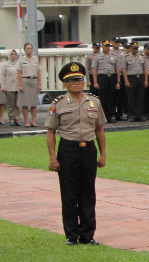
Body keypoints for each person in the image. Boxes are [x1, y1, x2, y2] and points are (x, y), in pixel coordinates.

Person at [46, 61, 107, 245]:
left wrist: (103, 154)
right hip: (68, 150)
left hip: (88, 149)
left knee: (88, 193)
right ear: (65, 84)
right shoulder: (59, 103)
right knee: (69, 193)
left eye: (79, 79)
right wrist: (52, 158)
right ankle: (71, 235)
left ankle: (87, 234)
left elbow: (99, 129)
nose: (77, 83)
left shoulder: (94, 101)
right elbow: (50, 132)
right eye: (72, 80)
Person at [18, 42, 41, 126]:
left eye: (30, 48)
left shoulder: (35, 59)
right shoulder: (21, 59)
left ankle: (34, 121)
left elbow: (38, 72)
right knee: (25, 103)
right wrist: (20, 85)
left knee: (34, 103)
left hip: (34, 80)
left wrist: (39, 84)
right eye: (27, 48)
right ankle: (26, 121)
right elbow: (19, 72)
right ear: (24, 50)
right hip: (25, 80)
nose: (29, 50)